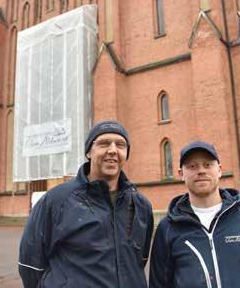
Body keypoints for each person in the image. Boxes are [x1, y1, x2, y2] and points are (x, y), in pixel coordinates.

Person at [19, 120, 154, 288]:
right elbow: (31, 265)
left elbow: (139, 260)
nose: (112, 150)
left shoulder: (141, 206)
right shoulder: (55, 201)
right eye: (104, 143)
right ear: (89, 152)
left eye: (120, 145)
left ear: (126, 153)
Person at [150, 140, 240, 288]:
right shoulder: (167, 228)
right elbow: (159, 284)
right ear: (181, 174)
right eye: (192, 166)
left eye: (208, 165)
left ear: (219, 170)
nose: (201, 171)